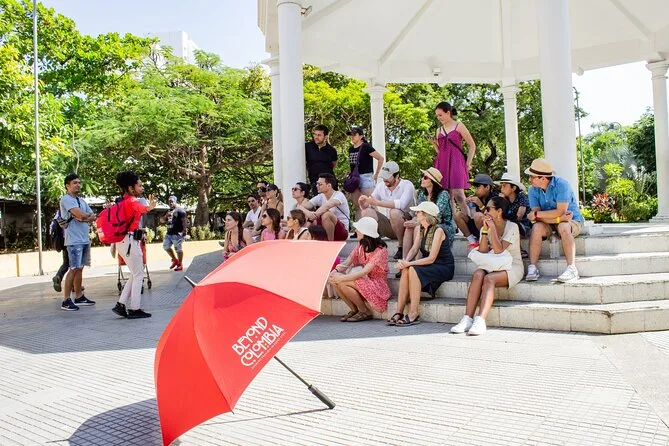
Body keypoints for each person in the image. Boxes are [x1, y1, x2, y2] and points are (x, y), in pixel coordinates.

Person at [450, 196, 524, 336]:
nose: (485, 211)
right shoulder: (487, 226)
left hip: (512, 266)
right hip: (494, 263)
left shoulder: (512, 227)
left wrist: (493, 230)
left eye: (489, 209)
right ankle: (467, 318)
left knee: (489, 279)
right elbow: (483, 251)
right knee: (478, 274)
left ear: (499, 211)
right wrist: (484, 231)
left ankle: (480, 320)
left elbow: (499, 250)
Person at [388, 201, 454, 326]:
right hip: (430, 264)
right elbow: (414, 248)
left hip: (443, 266)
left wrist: (409, 264)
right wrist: (405, 261)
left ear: (425, 215)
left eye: (418, 212)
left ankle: (414, 313)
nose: (416, 214)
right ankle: (399, 311)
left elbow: (431, 258)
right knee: (406, 269)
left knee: (412, 268)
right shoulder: (421, 228)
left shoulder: (438, 231)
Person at [525, 159, 585, 282]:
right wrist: (557, 218)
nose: (529, 179)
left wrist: (542, 215)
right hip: (552, 222)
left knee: (563, 226)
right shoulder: (532, 190)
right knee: (536, 227)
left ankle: (572, 268)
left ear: (543, 178)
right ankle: (533, 267)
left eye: (532, 176)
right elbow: (538, 216)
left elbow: (560, 212)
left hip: (571, 221)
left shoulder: (562, 185)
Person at [111, 171, 157, 319]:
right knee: (138, 274)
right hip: (130, 241)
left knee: (135, 273)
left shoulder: (123, 201)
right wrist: (149, 207)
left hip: (123, 241)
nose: (142, 188)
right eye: (139, 185)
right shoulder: (131, 201)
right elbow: (140, 208)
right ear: (131, 188)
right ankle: (134, 308)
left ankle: (120, 304)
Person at [328, 217, 391, 322]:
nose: (356, 231)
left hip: (378, 285)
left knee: (342, 282)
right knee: (335, 281)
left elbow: (364, 271)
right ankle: (354, 310)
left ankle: (364, 311)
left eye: (359, 229)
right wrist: (334, 272)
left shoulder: (381, 250)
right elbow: (347, 262)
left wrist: (341, 278)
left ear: (366, 232)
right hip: (365, 280)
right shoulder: (361, 245)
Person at [359, 161, 416, 260]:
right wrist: (362, 203)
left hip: (406, 226)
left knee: (394, 212)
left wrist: (378, 203)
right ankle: (372, 245)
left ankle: (401, 246)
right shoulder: (381, 185)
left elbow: (401, 204)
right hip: (390, 225)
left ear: (397, 176)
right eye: (383, 176)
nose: (385, 179)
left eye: (388, 177)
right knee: (366, 212)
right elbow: (369, 203)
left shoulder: (407, 185)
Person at [429, 101, 477, 217]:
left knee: (458, 193)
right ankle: (452, 222)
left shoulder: (459, 125)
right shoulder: (439, 130)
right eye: (437, 115)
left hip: (456, 162)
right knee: (446, 194)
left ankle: (468, 220)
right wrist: (434, 144)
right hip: (442, 163)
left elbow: (472, 145)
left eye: (440, 115)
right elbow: (441, 151)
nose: (438, 118)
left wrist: (468, 163)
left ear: (448, 113)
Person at [59, 173, 97, 311]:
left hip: (84, 238)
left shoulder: (81, 201)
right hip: (74, 240)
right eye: (74, 183)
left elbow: (92, 215)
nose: (78, 185)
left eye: (79, 182)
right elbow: (80, 214)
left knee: (80, 267)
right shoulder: (66, 199)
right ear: (67, 186)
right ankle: (66, 299)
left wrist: (84, 217)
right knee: (74, 268)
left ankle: (79, 296)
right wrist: (83, 216)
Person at [297, 173, 350, 241]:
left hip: (341, 232)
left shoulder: (339, 195)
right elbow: (301, 206)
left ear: (329, 186)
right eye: (317, 183)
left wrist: (314, 215)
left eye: (320, 184)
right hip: (324, 229)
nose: (317, 186)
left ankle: (329, 243)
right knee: (309, 214)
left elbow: (327, 206)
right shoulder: (321, 196)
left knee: (326, 214)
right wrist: (309, 214)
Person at [346, 126, 384, 220]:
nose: (352, 137)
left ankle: (380, 225)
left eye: (354, 135)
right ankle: (360, 226)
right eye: (351, 135)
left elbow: (380, 158)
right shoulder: (350, 149)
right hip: (354, 178)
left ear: (361, 136)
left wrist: (376, 173)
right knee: (357, 205)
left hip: (366, 177)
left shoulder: (366, 147)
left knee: (371, 203)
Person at [454, 173, 497, 248]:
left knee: (478, 215)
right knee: (458, 215)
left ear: (487, 187)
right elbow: (472, 215)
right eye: (475, 187)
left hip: (489, 229)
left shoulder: (495, 198)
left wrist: (481, 205)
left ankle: (484, 242)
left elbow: (493, 216)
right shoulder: (477, 197)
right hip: (477, 226)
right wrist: (468, 204)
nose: (476, 190)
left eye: (478, 187)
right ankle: (472, 242)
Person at [305, 124, 338, 195]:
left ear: (325, 137)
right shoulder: (307, 147)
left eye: (319, 135)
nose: (316, 137)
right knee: (319, 201)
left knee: (332, 202)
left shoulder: (332, 150)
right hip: (315, 183)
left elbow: (334, 164)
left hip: (329, 183)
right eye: (315, 134)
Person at [496, 173, 531, 237]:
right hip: (508, 225)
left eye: (504, 186)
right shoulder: (505, 199)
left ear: (513, 188)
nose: (501, 189)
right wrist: (501, 201)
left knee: (512, 226)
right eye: (501, 186)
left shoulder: (522, 197)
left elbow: (519, 217)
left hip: (522, 227)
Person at [163, 195, 187, 272]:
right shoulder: (168, 211)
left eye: (172, 201)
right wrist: (166, 216)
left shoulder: (180, 210)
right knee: (166, 247)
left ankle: (180, 264)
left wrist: (184, 230)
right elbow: (162, 220)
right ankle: (175, 260)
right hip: (169, 233)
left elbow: (184, 220)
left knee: (178, 249)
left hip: (177, 234)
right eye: (169, 201)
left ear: (175, 201)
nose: (170, 203)